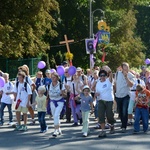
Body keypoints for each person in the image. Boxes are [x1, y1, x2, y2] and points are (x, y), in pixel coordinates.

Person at [95, 70, 116, 137]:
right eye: (101, 75)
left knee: (109, 114)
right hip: (101, 100)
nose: (103, 77)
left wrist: (109, 72)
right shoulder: (98, 83)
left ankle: (112, 125)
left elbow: (111, 76)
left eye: (104, 75)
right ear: (99, 76)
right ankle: (103, 131)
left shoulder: (109, 81)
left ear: (106, 76)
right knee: (101, 115)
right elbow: (96, 92)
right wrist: (96, 94)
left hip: (109, 100)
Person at [115, 62, 134, 133]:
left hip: (126, 95)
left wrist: (126, 77)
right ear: (122, 68)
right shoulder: (117, 74)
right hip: (118, 95)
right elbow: (115, 84)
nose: (127, 68)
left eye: (128, 67)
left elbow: (131, 85)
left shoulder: (131, 75)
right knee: (120, 111)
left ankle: (124, 126)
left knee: (124, 110)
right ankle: (123, 122)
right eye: (125, 67)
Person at [47, 72, 67, 137]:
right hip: (52, 101)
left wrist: (62, 93)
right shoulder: (49, 85)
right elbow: (48, 94)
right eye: (52, 77)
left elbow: (65, 95)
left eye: (54, 77)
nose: (53, 78)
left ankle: (55, 130)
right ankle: (59, 129)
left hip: (59, 101)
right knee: (55, 116)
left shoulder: (61, 85)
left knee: (56, 115)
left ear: (57, 78)